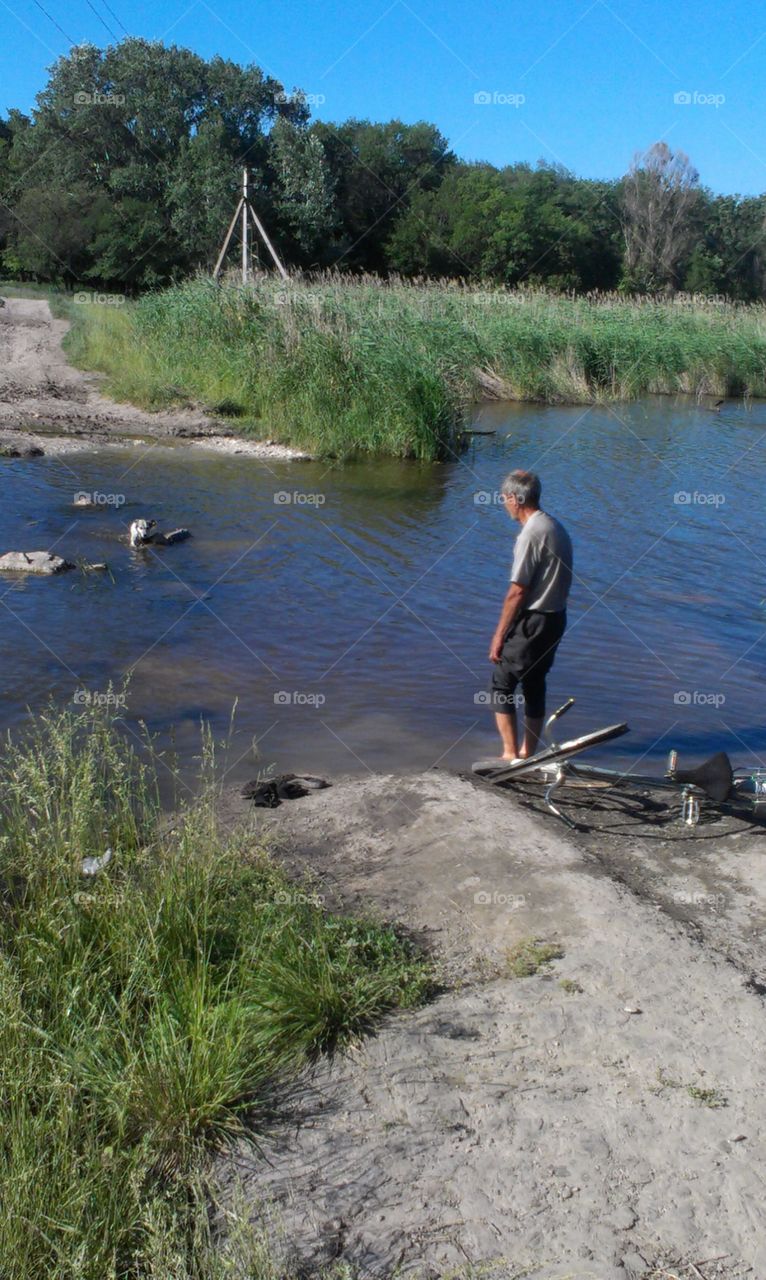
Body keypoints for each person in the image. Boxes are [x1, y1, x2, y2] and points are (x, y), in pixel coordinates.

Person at [488, 470, 572, 761]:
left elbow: (518, 591)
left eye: (504, 499)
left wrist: (499, 635)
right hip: (555, 618)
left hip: (534, 621)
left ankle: (510, 755)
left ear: (515, 498)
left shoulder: (531, 533)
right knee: (534, 683)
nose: (504, 505)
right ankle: (528, 753)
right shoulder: (554, 525)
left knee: (502, 683)